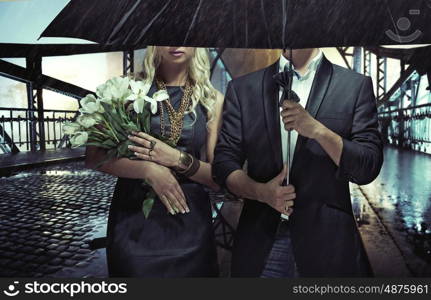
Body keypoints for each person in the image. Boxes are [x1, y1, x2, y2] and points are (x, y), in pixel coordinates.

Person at [212, 48, 384, 277]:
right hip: (262, 242)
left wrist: (319, 131)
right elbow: (223, 162)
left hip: (329, 245)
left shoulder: (355, 86)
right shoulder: (243, 88)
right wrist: (261, 192)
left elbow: (368, 167)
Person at [86, 46, 224, 277]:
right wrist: (148, 170)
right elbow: (94, 157)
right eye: (167, 34)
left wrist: (177, 159)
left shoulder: (212, 99)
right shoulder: (124, 89)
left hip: (190, 225)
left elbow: (217, 179)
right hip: (134, 224)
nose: (175, 43)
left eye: (184, 36)